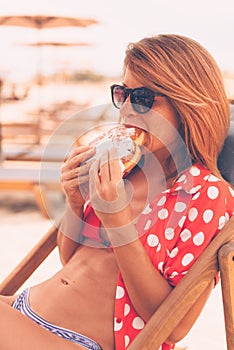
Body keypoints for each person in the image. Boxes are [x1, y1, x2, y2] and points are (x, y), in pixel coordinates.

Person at [0, 34, 234, 350]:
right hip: (25, 309)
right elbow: (71, 259)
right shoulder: (126, 170)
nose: (125, 108)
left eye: (142, 98)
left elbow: (173, 326)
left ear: (186, 105)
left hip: (78, 340)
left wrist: (117, 221)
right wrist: (75, 201)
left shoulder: (205, 195)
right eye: (122, 93)